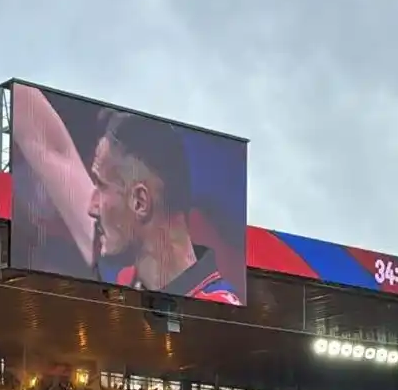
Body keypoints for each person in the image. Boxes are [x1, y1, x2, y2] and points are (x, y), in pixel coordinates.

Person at [12, 84, 242, 304]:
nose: (91, 207)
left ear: (140, 202)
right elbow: (49, 149)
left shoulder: (216, 313)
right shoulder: (118, 269)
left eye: (101, 186)